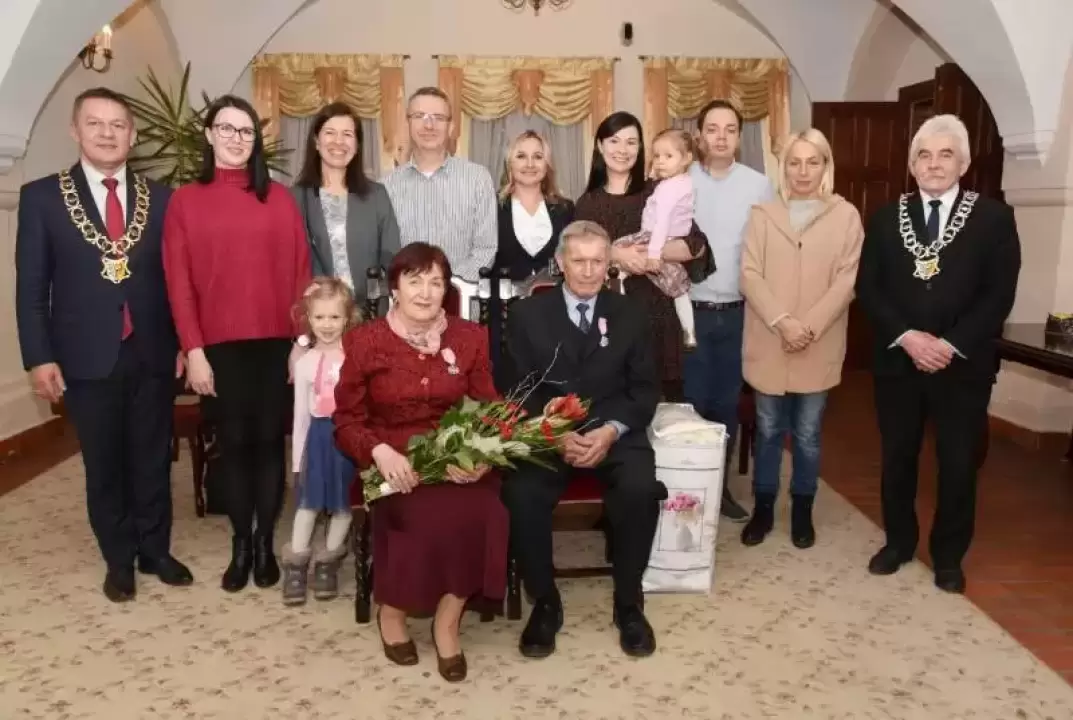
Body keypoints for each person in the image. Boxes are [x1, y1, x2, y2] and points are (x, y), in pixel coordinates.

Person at [14, 87, 193, 602]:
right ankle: (119, 558)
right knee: (104, 462)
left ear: (132, 136)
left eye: (118, 125)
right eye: (96, 123)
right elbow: (31, 287)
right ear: (76, 130)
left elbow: (176, 280)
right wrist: (39, 356)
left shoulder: (162, 199)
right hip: (85, 355)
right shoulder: (42, 197)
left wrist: (184, 342)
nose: (108, 133)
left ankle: (155, 549)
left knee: (152, 457)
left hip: (154, 350)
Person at [856, 114, 1020, 594]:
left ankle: (948, 556)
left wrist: (949, 345)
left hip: (962, 365)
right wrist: (908, 337)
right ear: (912, 165)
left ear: (963, 164)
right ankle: (899, 543)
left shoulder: (993, 219)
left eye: (945, 154)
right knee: (898, 457)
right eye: (924, 156)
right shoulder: (885, 218)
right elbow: (870, 288)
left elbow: (998, 295)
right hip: (899, 361)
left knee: (958, 463)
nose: (934, 164)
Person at [333, 242, 506, 683]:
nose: (426, 293)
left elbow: (490, 410)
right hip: (392, 459)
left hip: (455, 456)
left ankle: (447, 621)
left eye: (436, 282)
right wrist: (378, 451)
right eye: (415, 282)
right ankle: (392, 612)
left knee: (486, 510)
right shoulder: (365, 341)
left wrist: (481, 457)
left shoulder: (469, 337)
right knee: (424, 517)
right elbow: (346, 420)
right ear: (395, 288)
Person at [163, 95, 312, 593]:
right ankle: (240, 543)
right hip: (218, 350)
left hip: (276, 346)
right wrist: (194, 349)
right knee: (233, 449)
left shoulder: (280, 199)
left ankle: (264, 543)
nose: (235, 138)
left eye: (245, 131)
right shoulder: (185, 202)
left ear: (256, 140)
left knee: (268, 446)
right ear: (209, 135)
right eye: (225, 128)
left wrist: (301, 339)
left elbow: (301, 274)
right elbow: (178, 283)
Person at [502, 220, 664, 659]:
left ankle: (628, 604)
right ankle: (545, 602)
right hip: (548, 432)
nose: (589, 271)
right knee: (521, 492)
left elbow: (645, 389)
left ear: (609, 264)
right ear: (560, 263)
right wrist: (552, 433)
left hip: (614, 431)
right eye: (579, 261)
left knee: (641, 489)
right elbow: (517, 390)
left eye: (598, 261)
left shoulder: (631, 313)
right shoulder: (527, 315)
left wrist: (611, 431)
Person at [738, 128, 863, 549]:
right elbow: (749, 274)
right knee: (769, 430)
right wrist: (783, 322)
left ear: (826, 166)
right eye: (795, 162)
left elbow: (847, 280)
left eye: (813, 162)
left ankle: (803, 509)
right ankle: (763, 508)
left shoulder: (846, 216)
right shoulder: (763, 214)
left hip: (818, 341)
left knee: (808, 434)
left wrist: (806, 327)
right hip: (770, 340)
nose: (803, 171)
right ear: (784, 167)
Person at [575, 111, 713, 402]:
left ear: (640, 148)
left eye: (631, 142)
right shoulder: (587, 204)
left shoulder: (659, 189)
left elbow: (697, 245)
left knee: (661, 412)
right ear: (600, 145)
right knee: (610, 410)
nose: (622, 150)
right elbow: (575, 260)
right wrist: (615, 253)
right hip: (607, 323)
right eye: (614, 141)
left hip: (659, 320)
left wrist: (648, 253)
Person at [683, 99, 776, 522]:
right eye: (712, 129)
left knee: (726, 405)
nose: (721, 137)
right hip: (688, 312)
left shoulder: (759, 185)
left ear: (739, 136)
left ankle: (718, 489)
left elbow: (769, 249)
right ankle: (685, 487)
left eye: (730, 129)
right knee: (691, 402)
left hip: (740, 312)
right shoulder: (680, 180)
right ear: (699, 135)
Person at [281, 277, 362, 606]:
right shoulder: (304, 363)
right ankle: (296, 564)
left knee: (344, 503)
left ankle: (328, 561)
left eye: (334, 317)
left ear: (347, 318)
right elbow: (300, 415)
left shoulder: (356, 360)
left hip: (347, 438)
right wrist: (297, 461)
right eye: (319, 317)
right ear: (308, 319)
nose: (327, 325)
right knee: (308, 503)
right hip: (316, 439)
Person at [383, 87, 497, 281]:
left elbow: (485, 249)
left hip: (462, 294)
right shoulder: (386, 187)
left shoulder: (478, 179)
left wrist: (447, 285)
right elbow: (386, 255)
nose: (429, 125)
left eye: (438, 117)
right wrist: (414, 286)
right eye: (419, 116)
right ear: (407, 124)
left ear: (451, 127)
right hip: (405, 296)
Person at [491, 129, 575, 387]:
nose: (530, 164)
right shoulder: (492, 207)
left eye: (537, 156)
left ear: (547, 164)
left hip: (555, 317)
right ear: (509, 163)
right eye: (521, 156)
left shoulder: (565, 208)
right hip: (504, 319)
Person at [290, 101, 400, 297]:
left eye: (347, 134)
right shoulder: (296, 197)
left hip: (370, 308)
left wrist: (374, 299)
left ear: (357, 146)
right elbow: (291, 260)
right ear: (316, 141)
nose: (338, 141)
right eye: (330, 133)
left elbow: (391, 258)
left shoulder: (376, 195)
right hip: (319, 309)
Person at [611, 128, 697, 348]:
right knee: (679, 289)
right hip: (672, 238)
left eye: (668, 156)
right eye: (656, 156)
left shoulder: (669, 189)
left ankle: (617, 301)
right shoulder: (684, 182)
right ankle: (689, 332)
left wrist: (654, 253)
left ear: (687, 158)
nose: (660, 161)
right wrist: (653, 176)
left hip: (655, 237)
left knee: (616, 249)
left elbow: (662, 221)